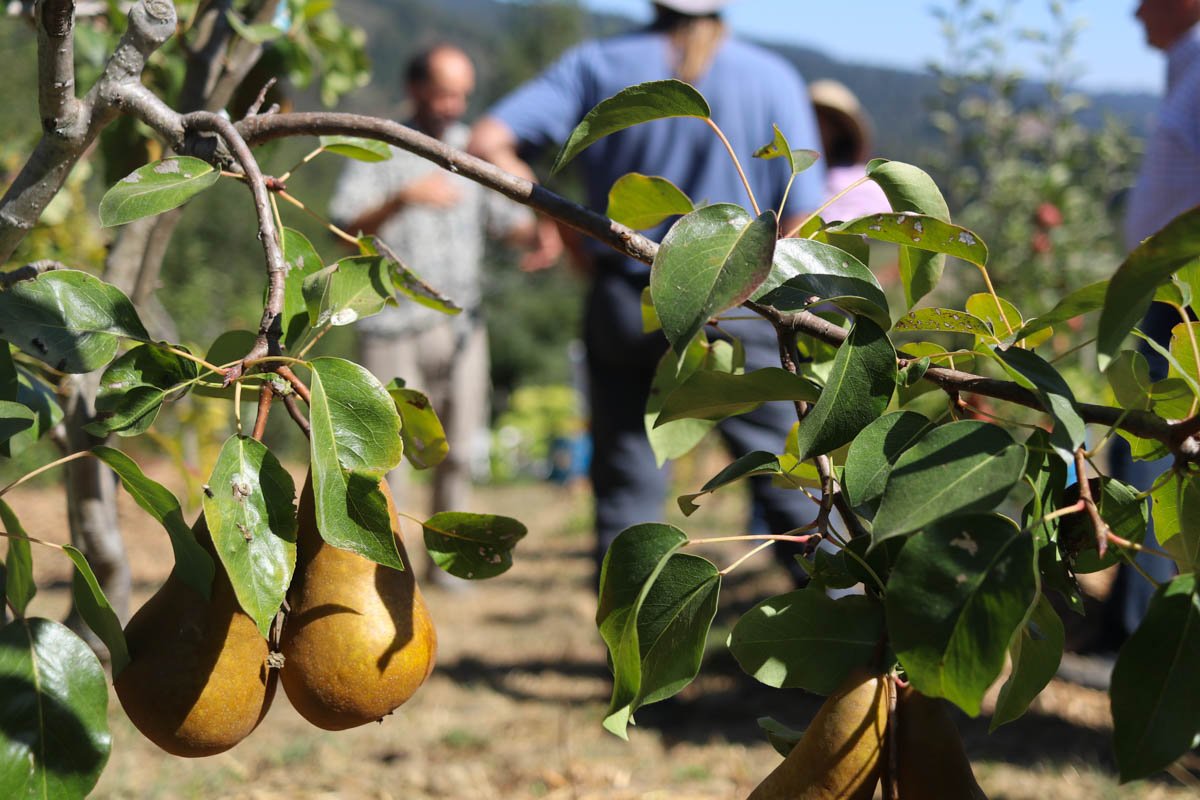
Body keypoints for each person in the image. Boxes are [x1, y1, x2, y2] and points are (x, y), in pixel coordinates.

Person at [469, 0, 828, 582]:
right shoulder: (773, 76)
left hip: (627, 299)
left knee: (626, 496)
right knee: (793, 483)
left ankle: (633, 652)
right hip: (739, 307)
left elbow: (488, 140)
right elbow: (801, 218)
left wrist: (563, 228)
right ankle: (853, 656)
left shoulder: (596, 64)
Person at [329, 44, 558, 583]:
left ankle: (449, 566)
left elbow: (511, 223)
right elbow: (341, 225)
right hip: (387, 324)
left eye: (463, 92)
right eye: (445, 91)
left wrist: (543, 231)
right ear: (416, 88)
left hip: (460, 325)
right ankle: (385, 569)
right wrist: (403, 198)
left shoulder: (471, 150)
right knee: (383, 457)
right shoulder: (379, 144)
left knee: (456, 447)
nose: (456, 103)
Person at [1093, 0, 1194, 649]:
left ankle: (1144, 631)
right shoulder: (1189, 68)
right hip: (1166, 297)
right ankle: (1131, 619)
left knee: (1158, 449)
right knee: (1141, 445)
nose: (1133, 12)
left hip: (1186, 302)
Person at [808, 79, 891, 223]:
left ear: (840, 131)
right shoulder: (785, 178)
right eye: (811, 117)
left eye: (827, 120)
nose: (817, 127)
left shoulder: (862, 184)